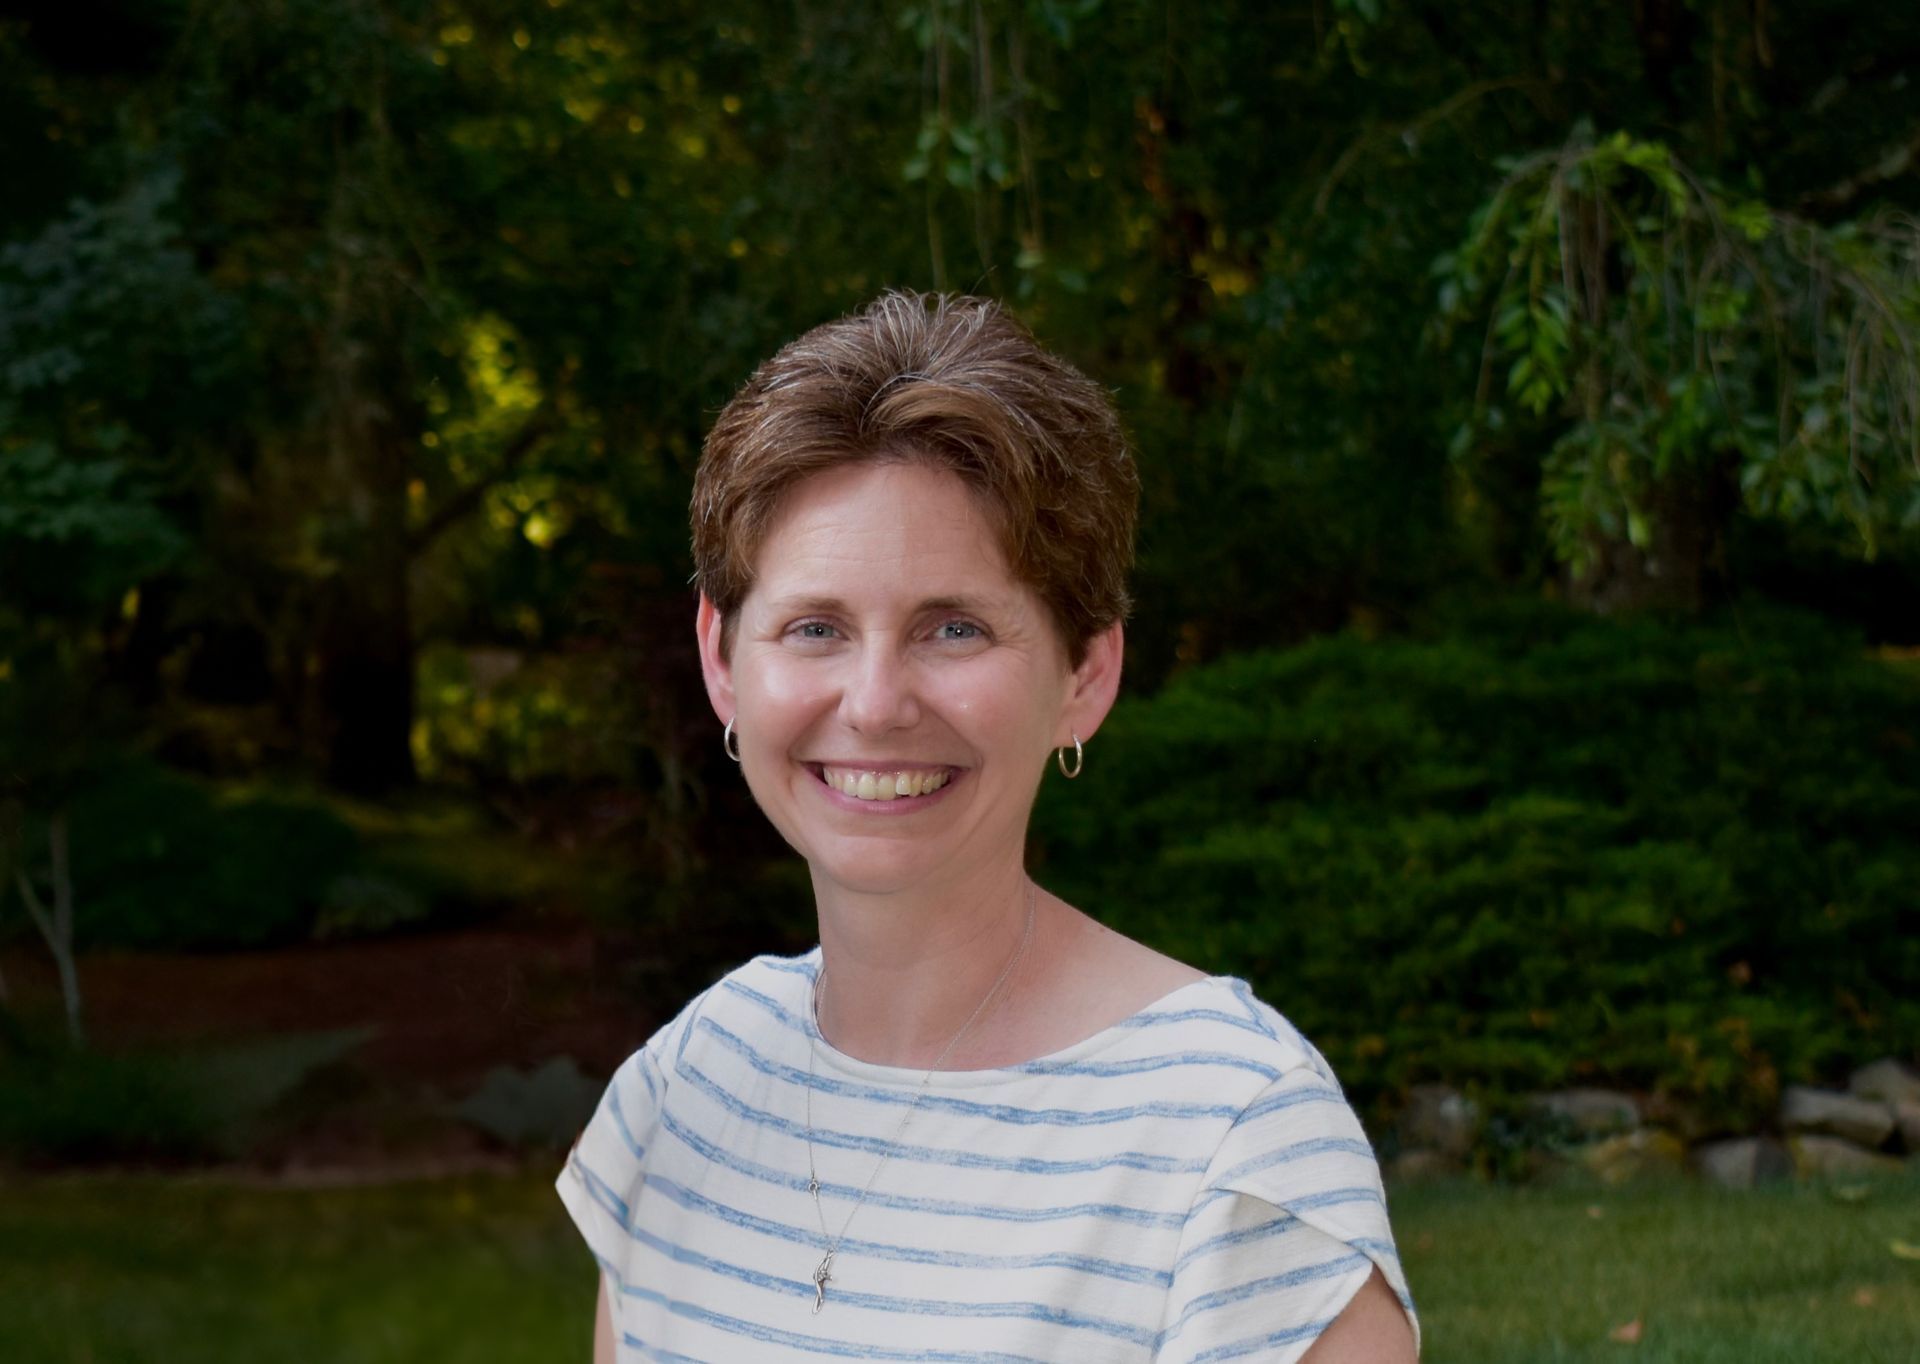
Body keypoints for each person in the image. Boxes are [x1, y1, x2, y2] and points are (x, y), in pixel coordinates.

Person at [558, 291, 1420, 1362]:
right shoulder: (682, 1089)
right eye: (815, 626)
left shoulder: (1231, 1136)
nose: (875, 702)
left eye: (953, 627)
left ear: (1086, 673)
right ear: (723, 661)